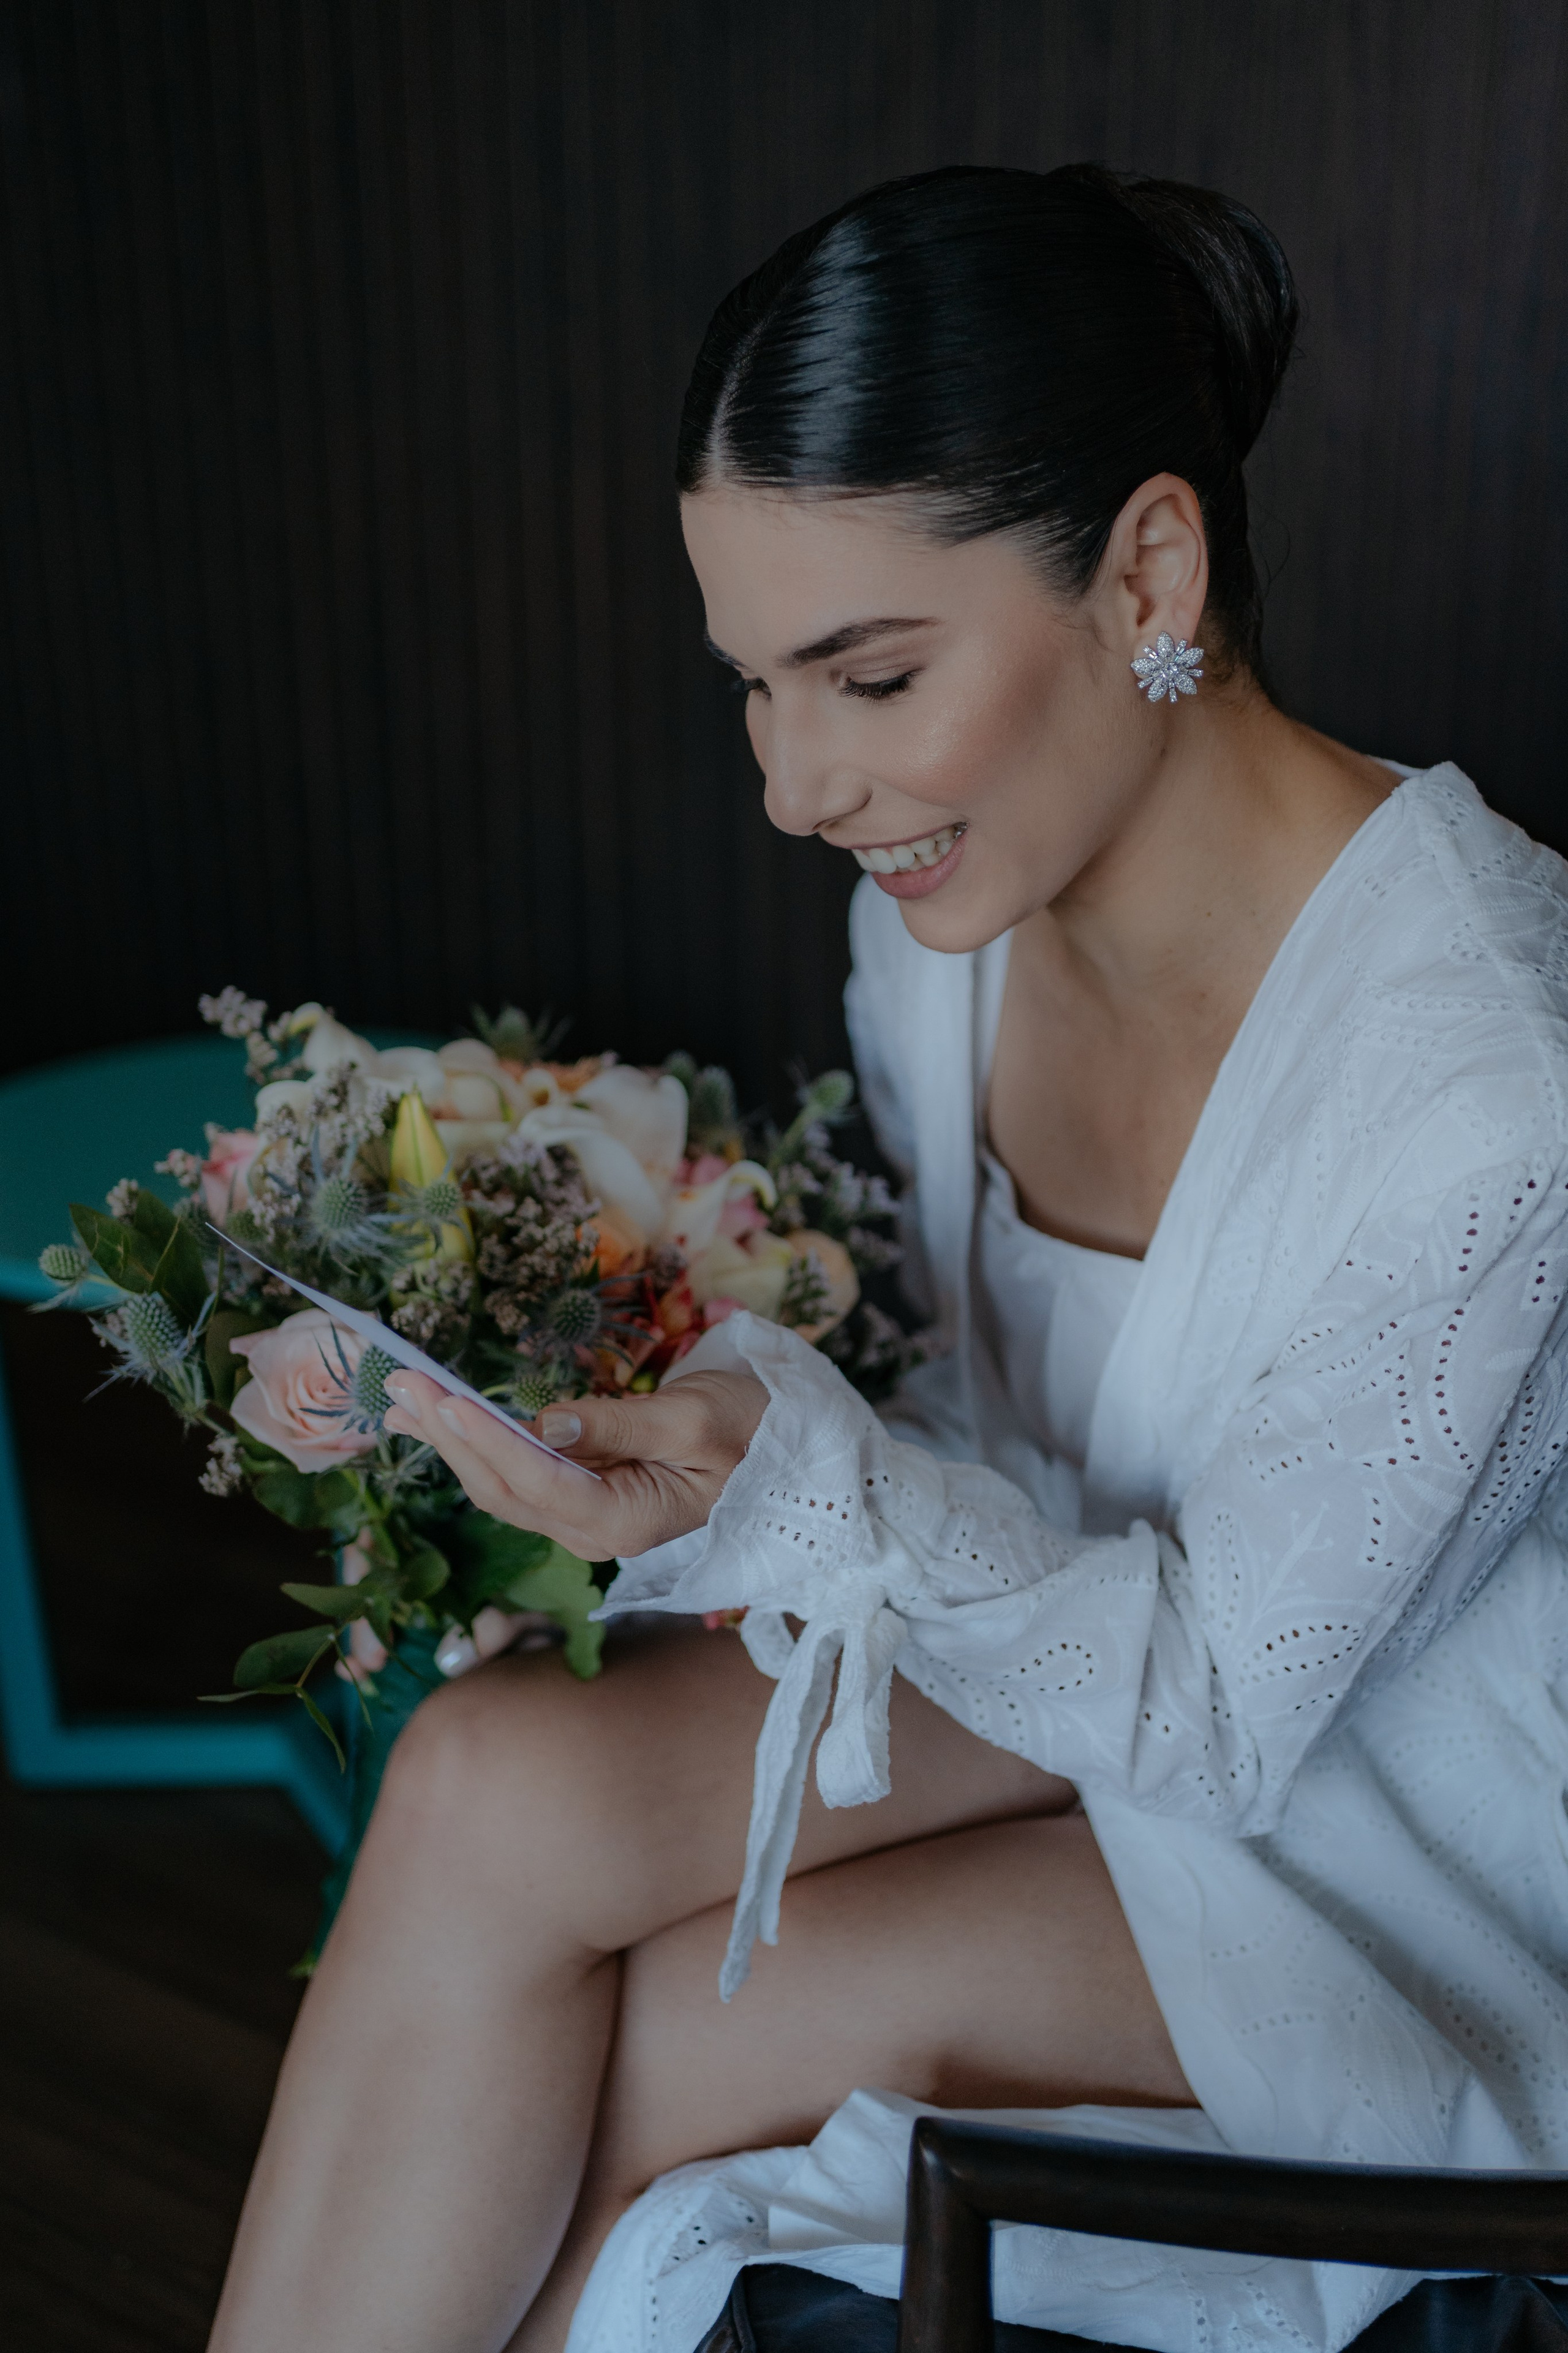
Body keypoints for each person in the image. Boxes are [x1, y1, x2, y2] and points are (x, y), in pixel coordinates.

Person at [208, 165, 1568, 2353]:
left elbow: (1225, 1716)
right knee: (482, 1785)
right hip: (1065, 1641)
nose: (798, 783)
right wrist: (665, 1510)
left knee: (657, 2041)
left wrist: (792, 1480)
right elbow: (976, 1423)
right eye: (758, 684)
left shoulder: (1495, 1086)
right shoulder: (935, 935)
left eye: (867, 672)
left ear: (1150, 562)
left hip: (1365, 1838)